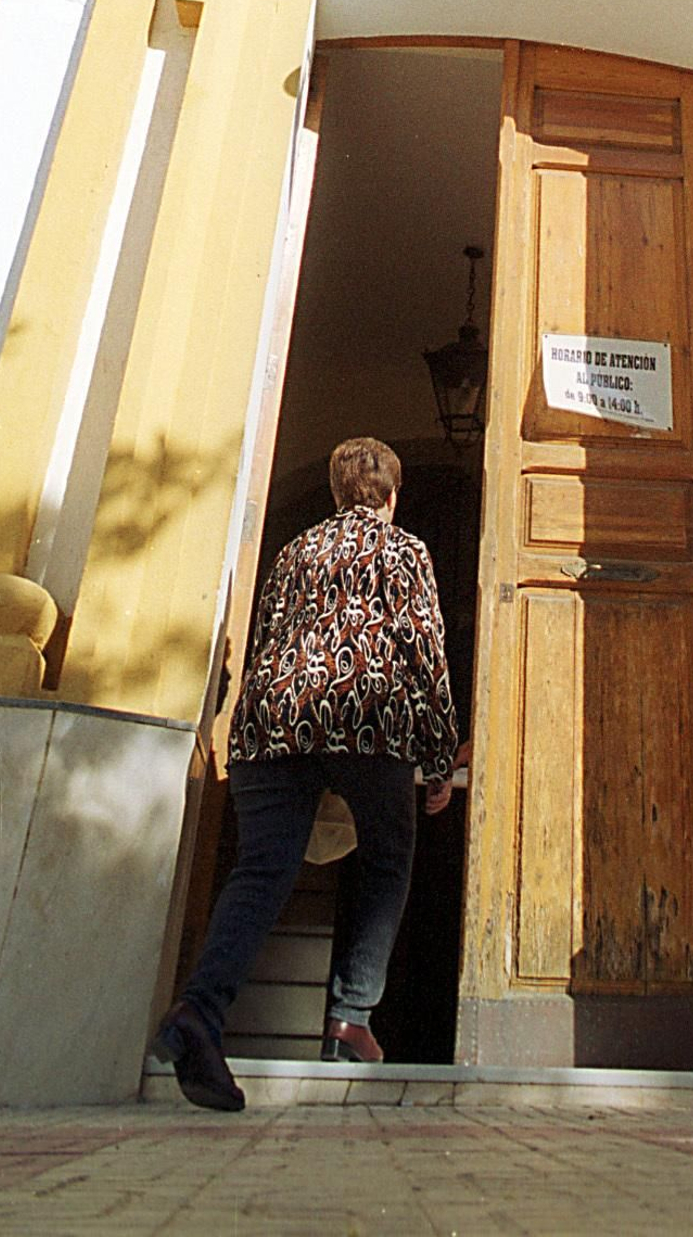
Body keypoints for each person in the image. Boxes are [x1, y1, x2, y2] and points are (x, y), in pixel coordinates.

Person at [156, 435, 460, 1112]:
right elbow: (425, 650)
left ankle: (198, 1011)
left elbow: (264, 636)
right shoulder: (404, 550)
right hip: (364, 717)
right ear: (391, 495)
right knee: (388, 858)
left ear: (334, 493)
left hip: (272, 722)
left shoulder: (294, 551)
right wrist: (440, 759)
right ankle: (351, 1017)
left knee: (262, 871)